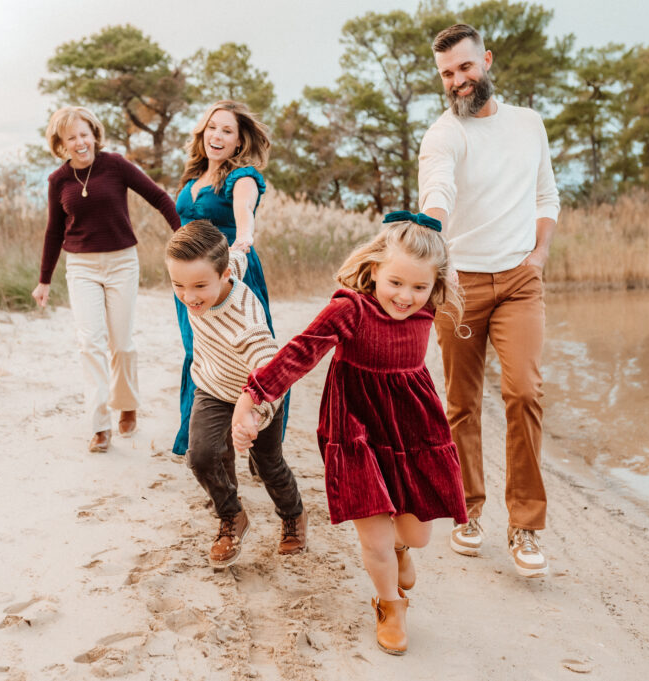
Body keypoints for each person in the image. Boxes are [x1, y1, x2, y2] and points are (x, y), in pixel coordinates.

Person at [231, 213, 468, 656]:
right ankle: (390, 605)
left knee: (416, 534)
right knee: (373, 537)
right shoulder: (351, 309)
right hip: (354, 425)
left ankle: (401, 549)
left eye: (419, 287)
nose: (405, 296)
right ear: (374, 268)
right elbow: (299, 352)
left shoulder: (430, 308)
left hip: (412, 427)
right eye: (396, 282)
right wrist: (254, 398)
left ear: (434, 285)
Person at [418, 24, 560, 578]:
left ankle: (525, 523)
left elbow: (546, 193)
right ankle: (466, 511)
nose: (457, 81)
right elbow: (439, 189)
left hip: (521, 280)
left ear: (487, 61)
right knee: (461, 403)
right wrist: (431, 229)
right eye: (448, 73)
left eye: (465, 68)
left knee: (524, 390)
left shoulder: (528, 124)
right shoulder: (442, 134)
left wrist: (540, 253)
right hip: (461, 285)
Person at [32, 106, 180, 453]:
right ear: (61, 143)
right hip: (81, 266)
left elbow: (158, 197)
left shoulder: (115, 165)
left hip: (122, 263)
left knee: (122, 343)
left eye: (84, 134)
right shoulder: (58, 180)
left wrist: (182, 234)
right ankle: (99, 426)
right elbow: (54, 231)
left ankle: (127, 402)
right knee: (90, 344)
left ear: (94, 134)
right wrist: (44, 280)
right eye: (72, 138)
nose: (80, 142)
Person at [166, 219, 306, 568]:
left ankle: (294, 516)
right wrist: (243, 241)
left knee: (267, 463)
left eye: (199, 285)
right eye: (178, 285)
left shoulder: (247, 321)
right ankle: (232, 517)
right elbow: (238, 255)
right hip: (212, 388)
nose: (189, 296)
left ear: (224, 275)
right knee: (201, 456)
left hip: (261, 396)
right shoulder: (222, 267)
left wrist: (252, 416)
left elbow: (274, 373)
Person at [172, 100, 286, 458]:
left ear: (239, 142)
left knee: (251, 352)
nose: (217, 136)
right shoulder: (194, 177)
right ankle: (199, 438)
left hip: (232, 270)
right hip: (191, 277)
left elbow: (244, 210)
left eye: (227, 131)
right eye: (212, 128)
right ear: (202, 132)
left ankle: (261, 441)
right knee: (199, 352)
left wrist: (244, 237)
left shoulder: (243, 176)